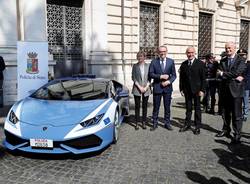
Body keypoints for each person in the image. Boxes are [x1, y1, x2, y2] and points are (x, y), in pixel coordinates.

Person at [215, 42, 246, 144]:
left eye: (230, 48)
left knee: (237, 114)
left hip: (236, 91)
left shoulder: (241, 60)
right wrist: (231, 76)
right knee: (225, 113)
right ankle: (226, 130)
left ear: (234, 48)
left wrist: (224, 73)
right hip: (224, 91)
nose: (228, 50)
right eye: (226, 48)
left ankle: (237, 134)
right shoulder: (223, 60)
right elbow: (218, 74)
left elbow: (237, 72)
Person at [179, 47, 206, 135]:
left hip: (197, 90)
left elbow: (203, 78)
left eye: (192, 53)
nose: (190, 54)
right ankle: (187, 124)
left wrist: (202, 90)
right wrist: (181, 89)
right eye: (188, 53)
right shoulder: (184, 64)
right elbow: (181, 78)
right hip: (187, 90)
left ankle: (197, 126)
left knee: (197, 108)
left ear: (195, 53)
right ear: (186, 53)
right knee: (188, 108)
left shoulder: (200, 63)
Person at [149, 45, 176, 131]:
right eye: (160, 52)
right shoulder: (153, 62)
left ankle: (167, 123)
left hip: (168, 88)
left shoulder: (171, 61)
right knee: (156, 106)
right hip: (157, 87)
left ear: (166, 52)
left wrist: (168, 81)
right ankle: (154, 123)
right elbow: (151, 74)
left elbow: (174, 75)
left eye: (164, 51)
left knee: (167, 107)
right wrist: (160, 76)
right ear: (158, 52)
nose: (162, 53)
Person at [132, 51, 151, 130]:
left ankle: (143, 122)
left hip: (146, 89)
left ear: (144, 57)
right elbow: (133, 77)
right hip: (137, 88)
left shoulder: (148, 66)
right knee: (137, 106)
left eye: (141, 56)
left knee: (145, 106)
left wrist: (146, 87)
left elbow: (150, 77)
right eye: (138, 56)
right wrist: (139, 87)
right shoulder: (135, 66)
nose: (140, 58)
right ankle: (136, 122)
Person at [237, 49, 250, 122]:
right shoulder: (236, 64)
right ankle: (238, 114)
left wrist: (243, 78)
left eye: (243, 55)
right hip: (237, 86)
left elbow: (248, 75)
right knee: (238, 101)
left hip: (245, 86)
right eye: (240, 55)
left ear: (246, 55)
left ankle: (245, 115)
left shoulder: (248, 65)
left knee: (245, 101)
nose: (242, 56)